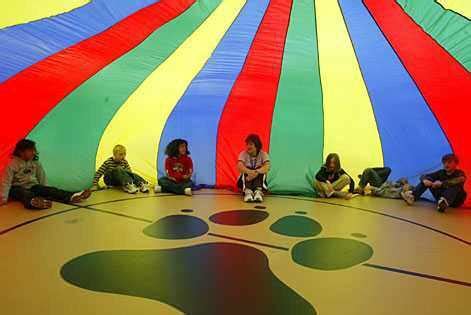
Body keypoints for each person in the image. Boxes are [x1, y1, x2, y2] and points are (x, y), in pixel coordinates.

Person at [0, 139, 91, 209]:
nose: (34, 152)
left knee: (52, 190)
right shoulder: (12, 165)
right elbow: (6, 182)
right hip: (16, 188)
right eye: (31, 150)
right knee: (23, 194)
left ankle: (72, 196)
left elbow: (41, 176)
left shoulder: (35, 163)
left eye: (34, 150)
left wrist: (45, 189)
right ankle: (33, 202)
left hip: (33, 186)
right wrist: (3, 199)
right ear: (21, 152)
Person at [401, 154, 467, 212]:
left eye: (449, 162)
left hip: (455, 200)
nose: (446, 164)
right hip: (440, 197)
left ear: (456, 163)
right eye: (444, 163)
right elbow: (425, 176)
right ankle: (412, 196)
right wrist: (424, 180)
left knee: (455, 185)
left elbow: (461, 179)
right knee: (428, 180)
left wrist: (442, 183)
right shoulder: (441, 172)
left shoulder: (459, 173)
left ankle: (444, 202)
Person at [237, 134, 271, 203]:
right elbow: (239, 166)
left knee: (260, 169)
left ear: (257, 146)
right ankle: (248, 192)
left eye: (251, 144)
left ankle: (258, 192)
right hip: (245, 180)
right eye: (247, 144)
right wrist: (249, 172)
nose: (248, 146)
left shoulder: (263, 154)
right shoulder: (243, 154)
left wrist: (256, 172)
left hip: (258, 181)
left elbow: (267, 167)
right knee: (247, 168)